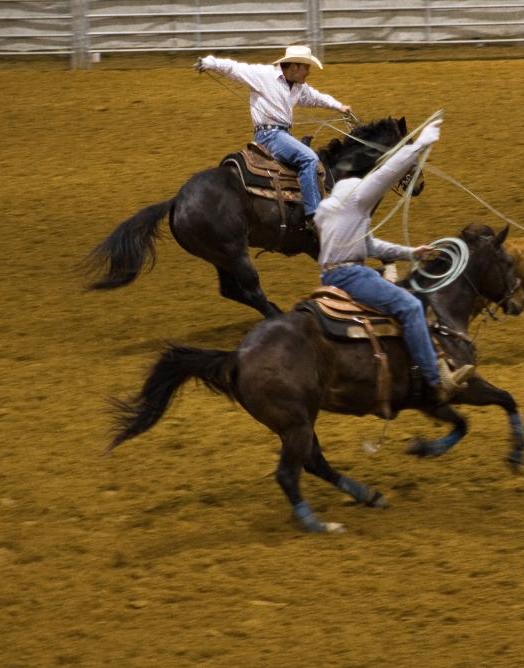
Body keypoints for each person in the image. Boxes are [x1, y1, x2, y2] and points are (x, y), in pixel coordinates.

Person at [315, 118, 473, 403]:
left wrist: (410, 253)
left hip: (329, 276)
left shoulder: (325, 209)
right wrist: (420, 144)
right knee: (411, 306)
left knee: (396, 290)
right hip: (352, 276)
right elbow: (387, 174)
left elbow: (368, 245)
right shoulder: (357, 198)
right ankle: (437, 380)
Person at [195, 45, 350, 231]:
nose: (308, 72)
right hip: (269, 136)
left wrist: (339, 106)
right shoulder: (264, 75)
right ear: (295, 66)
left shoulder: (298, 87)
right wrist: (209, 63)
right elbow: (234, 68)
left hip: (282, 135)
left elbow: (315, 97)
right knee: (309, 158)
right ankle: (314, 216)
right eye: (306, 67)